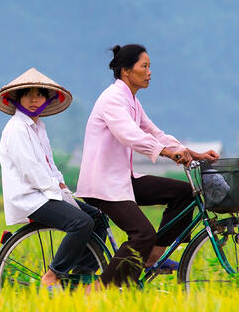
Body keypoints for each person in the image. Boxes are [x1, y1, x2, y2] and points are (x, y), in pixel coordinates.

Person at [76, 44, 219, 286]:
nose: (150, 72)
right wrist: (166, 153)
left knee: (183, 193)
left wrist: (193, 154)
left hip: (123, 178)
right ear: (126, 71)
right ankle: (99, 290)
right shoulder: (112, 98)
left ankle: (153, 256)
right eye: (144, 66)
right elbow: (128, 134)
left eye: (150, 67)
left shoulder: (131, 100)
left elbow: (154, 133)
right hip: (102, 183)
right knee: (142, 233)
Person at [0, 68, 109, 291]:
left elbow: (49, 165)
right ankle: (54, 274)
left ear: (47, 99)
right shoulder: (17, 129)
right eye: (28, 94)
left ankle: (82, 277)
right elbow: (31, 170)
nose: (34, 99)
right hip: (32, 197)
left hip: (46, 193)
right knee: (81, 222)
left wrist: (62, 187)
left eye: (40, 94)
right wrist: (57, 192)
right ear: (18, 99)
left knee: (98, 218)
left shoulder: (38, 127)